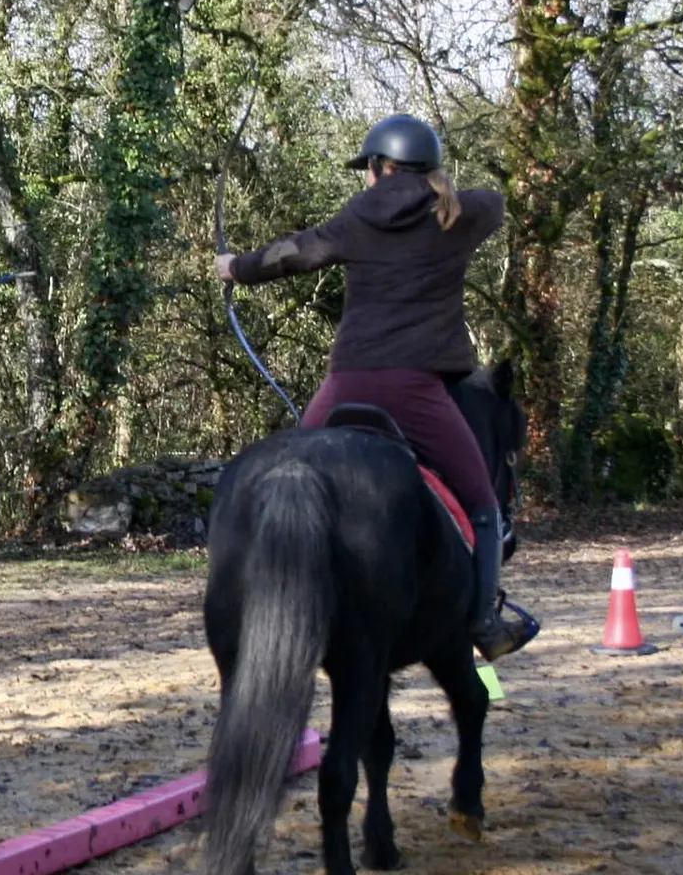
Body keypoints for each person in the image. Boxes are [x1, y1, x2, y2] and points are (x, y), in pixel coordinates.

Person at [213, 113, 538, 661]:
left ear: (382, 168)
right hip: (418, 389)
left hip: (347, 382)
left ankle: (257, 611)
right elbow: (498, 203)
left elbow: (292, 253)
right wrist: (444, 194)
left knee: (286, 485)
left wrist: (235, 268)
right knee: (482, 501)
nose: (367, 177)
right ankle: (485, 623)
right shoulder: (457, 217)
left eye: (369, 167)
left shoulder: (355, 219)